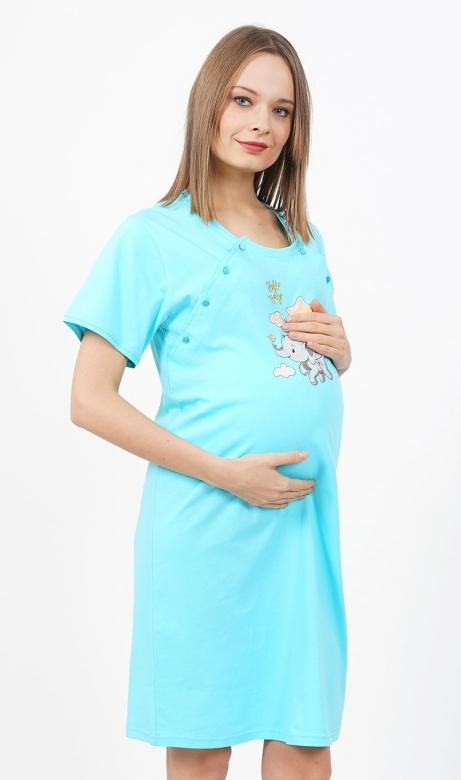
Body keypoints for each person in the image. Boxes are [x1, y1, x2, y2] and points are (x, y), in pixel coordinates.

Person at [63, 24, 352, 780]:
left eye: (282, 110)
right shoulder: (152, 237)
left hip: (300, 528)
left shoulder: (303, 239)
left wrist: (341, 354)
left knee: (305, 741)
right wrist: (228, 474)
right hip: (208, 524)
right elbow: (89, 399)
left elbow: (291, 361)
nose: (262, 123)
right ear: (208, 104)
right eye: (243, 100)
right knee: (202, 745)